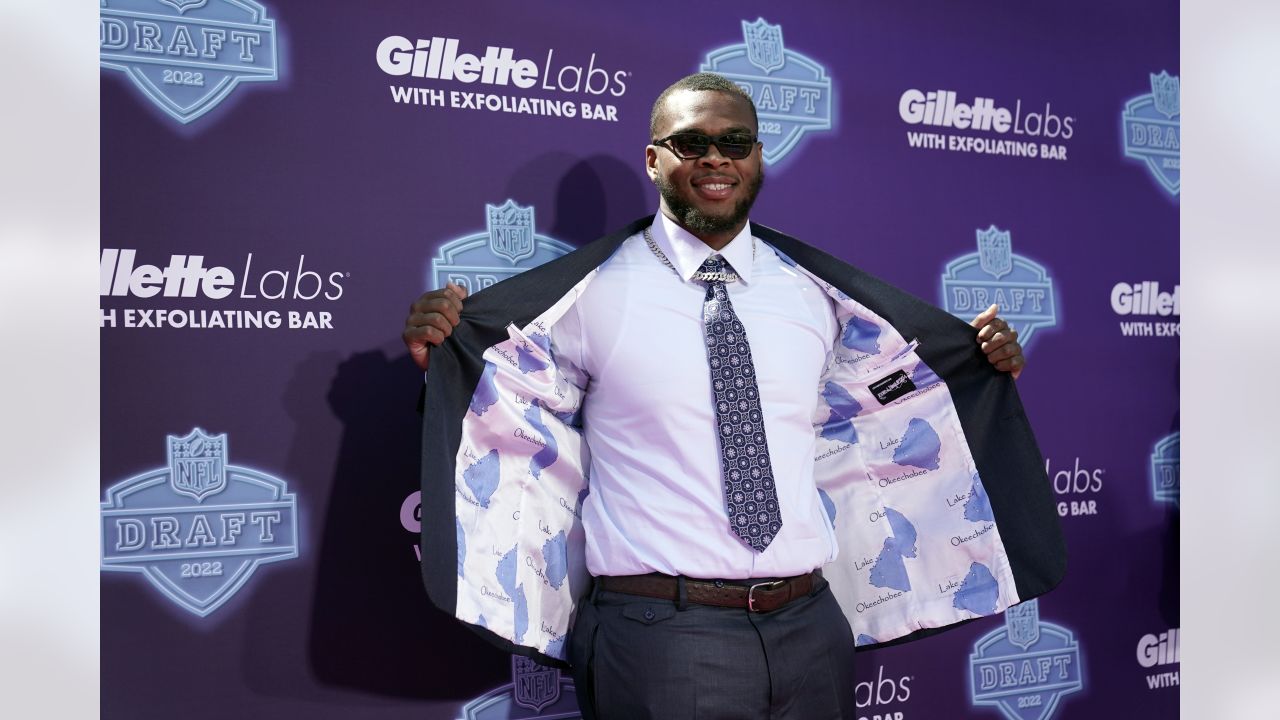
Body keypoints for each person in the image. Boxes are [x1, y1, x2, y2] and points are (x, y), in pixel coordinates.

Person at [404, 73, 1064, 720]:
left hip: (810, 627)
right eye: (691, 143)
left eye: (737, 141)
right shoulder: (586, 296)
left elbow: (887, 401)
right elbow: (503, 400)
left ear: (757, 158)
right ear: (654, 158)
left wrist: (978, 362)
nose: (716, 158)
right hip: (660, 634)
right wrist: (444, 352)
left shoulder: (817, 295)